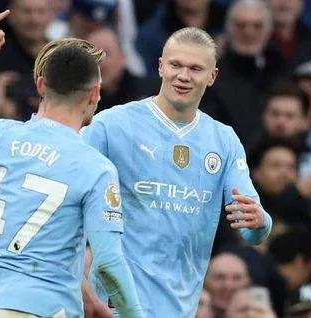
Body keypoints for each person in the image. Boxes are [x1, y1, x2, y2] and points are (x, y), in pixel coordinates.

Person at [0, 9, 143, 318]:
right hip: (45, 310)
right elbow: (108, 263)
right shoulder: (96, 168)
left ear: (40, 86)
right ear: (95, 93)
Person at [81, 26, 273, 317]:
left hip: (179, 307)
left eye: (195, 68)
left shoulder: (223, 140)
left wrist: (260, 222)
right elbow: (65, 183)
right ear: (160, 66)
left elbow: (251, 230)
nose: (183, 76)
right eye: (176, 65)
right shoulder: (111, 125)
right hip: (113, 305)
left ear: (212, 76)